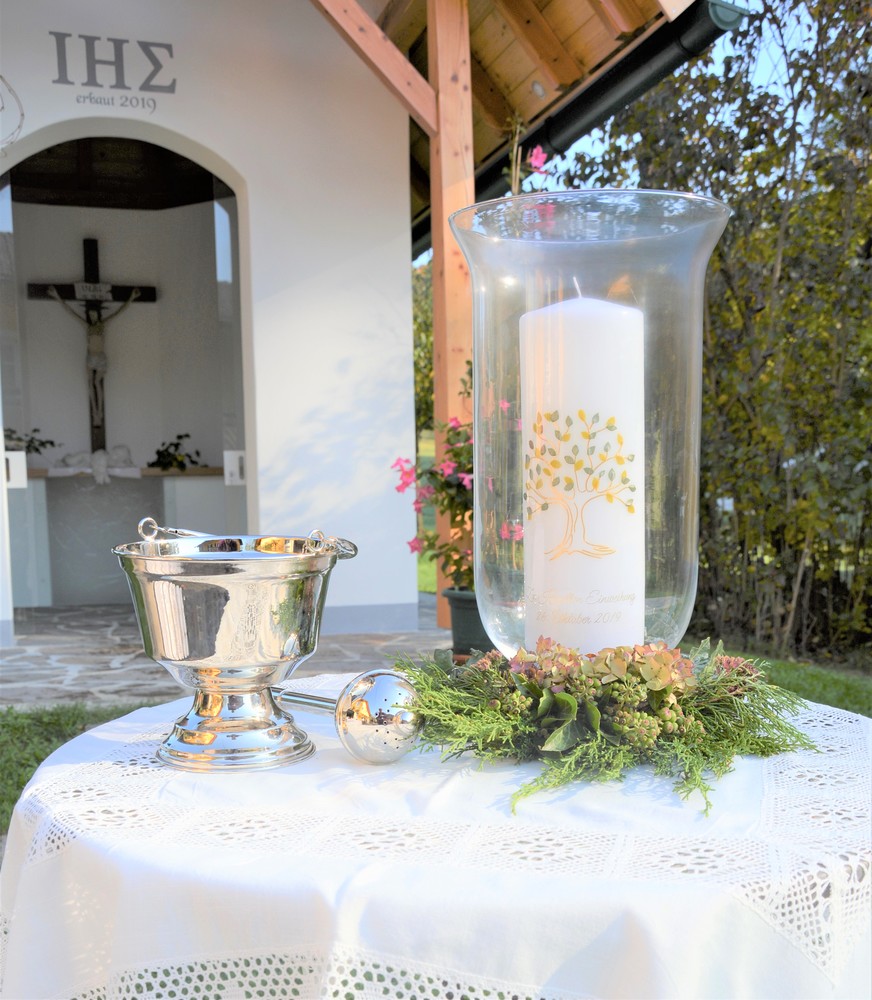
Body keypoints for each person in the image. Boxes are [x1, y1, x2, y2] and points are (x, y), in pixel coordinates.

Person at [47, 285, 141, 432]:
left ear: (98, 314)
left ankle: (99, 413)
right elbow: (70, 312)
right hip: (91, 358)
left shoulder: (103, 325)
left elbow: (119, 312)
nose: (92, 316)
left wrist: (131, 298)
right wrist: (57, 296)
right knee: (90, 383)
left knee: (97, 383)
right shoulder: (87, 326)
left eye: (94, 314)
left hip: (100, 358)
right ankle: (95, 412)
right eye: (90, 314)